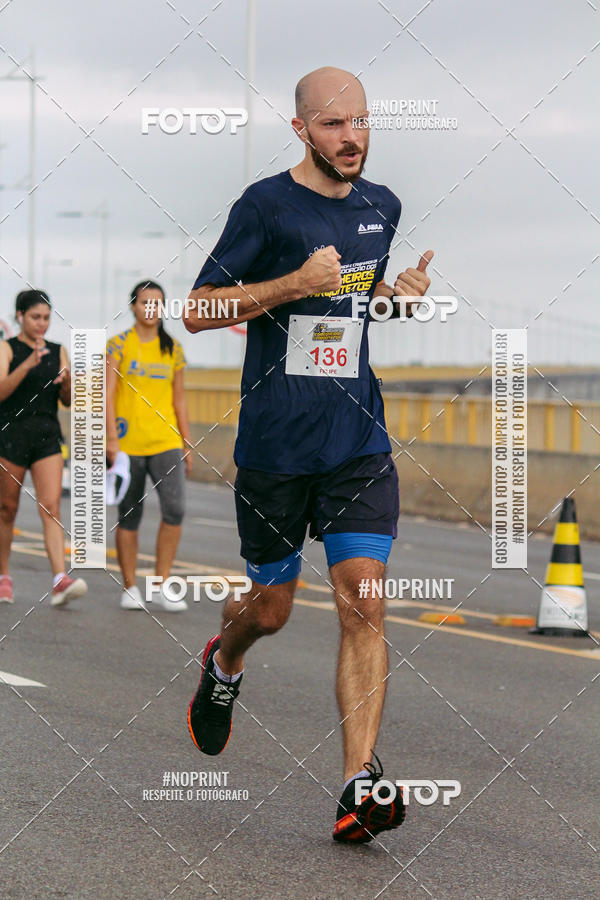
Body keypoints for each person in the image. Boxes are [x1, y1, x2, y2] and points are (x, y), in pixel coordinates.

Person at [184, 66, 433, 843]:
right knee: (274, 609)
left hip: (355, 438)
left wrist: (393, 295)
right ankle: (225, 660)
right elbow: (198, 310)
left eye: (360, 121)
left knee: (364, 599)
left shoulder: (380, 206)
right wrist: (291, 281)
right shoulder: (264, 206)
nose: (351, 137)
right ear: (301, 130)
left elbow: (352, 303)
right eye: (332, 124)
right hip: (276, 447)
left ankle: (359, 783)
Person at [106, 280, 192, 612]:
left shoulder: (173, 349)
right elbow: (108, 393)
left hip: (165, 441)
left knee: (175, 509)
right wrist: (111, 438)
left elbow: (180, 400)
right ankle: (130, 586)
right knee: (129, 514)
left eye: (157, 303)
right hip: (127, 444)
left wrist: (186, 443)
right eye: (145, 303)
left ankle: (161, 585)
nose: (151, 309)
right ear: (133, 306)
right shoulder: (118, 345)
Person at [0, 289, 87, 607]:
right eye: (35, 317)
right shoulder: (7, 349)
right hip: (11, 435)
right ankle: (3, 577)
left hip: (47, 435)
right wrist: (27, 366)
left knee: (51, 507)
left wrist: (66, 385)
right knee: (6, 510)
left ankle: (60, 580)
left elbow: (67, 401)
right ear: (20, 316)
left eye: (47, 318)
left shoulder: (58, 350)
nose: (42, 324)